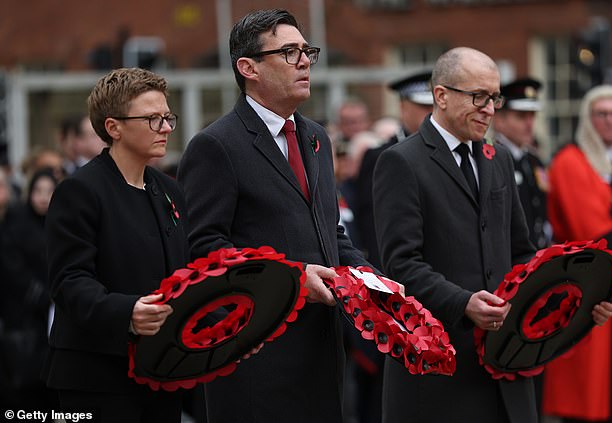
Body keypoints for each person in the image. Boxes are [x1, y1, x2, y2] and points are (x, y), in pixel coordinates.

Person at [372, 47, 612, 423]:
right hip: (439, 369)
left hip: (506, 364)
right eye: (478, 97)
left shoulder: (497, 158)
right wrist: (464, 302)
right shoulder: (401, 161)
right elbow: (400, 264)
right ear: (441, 96)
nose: (489, 108)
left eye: (494, 98)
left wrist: (576, 305)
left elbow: (522, 254)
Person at [177, 9, 372, 423]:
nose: (304, 62)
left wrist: (372, 281)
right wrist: (295, 280)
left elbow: (329, 233)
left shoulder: (316, 137)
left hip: (323, 356)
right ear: (248, 68)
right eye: (288, 52)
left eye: (306, 51)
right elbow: (207, 251)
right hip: (256, 359)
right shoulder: (216, 145)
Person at [45, 67, 189, 422]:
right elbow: (69, 282)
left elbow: (187, 270)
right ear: (114, 128)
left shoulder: (168, 190)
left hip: (162, 370)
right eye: (153, 119)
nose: (167, 128)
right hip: (98, 376)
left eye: (168, 117)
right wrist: (127, 313)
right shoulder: (80, 191)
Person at [543, 84, 612, 423]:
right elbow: (594, 234)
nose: (609, 121)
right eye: (601, 114)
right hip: (594, 289)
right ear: (588, 119)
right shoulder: (571, 161)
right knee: (594, 399)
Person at [356, 69, 434, 269]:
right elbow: (370, 220)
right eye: (423, 106)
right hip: (396, 267)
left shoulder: (445, 153)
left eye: (434, 105)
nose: (431, 112)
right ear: (403, 107)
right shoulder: (380, 155)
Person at [0, 169, 58, 408]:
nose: (43, 197)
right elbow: (14, 272)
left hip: (55, 318)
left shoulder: (62, 224)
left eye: (49, 191)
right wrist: (44, 296)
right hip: (24, 320)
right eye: (38, 191)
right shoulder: (16, 225)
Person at [493, 77, 551, 250]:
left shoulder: (534, 160)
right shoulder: (491, 159)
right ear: (499, 120)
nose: (529, 123)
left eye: (532, 116)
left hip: (538, 252)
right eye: (520, 116)